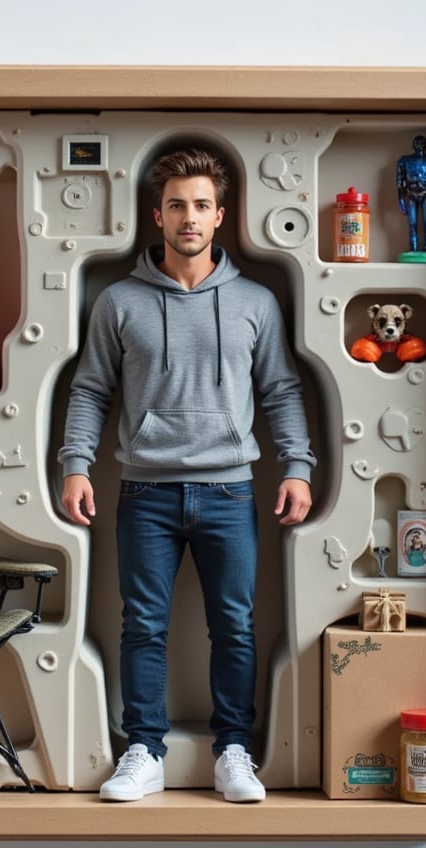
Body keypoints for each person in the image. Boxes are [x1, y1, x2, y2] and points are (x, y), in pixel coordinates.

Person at [58, 148, 316, 803]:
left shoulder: (255, 302)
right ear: (158, 215)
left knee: (234, 625)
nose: (189, 216)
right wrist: (76, 464)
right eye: (177, 205)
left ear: (220, 216)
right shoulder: (119, 302)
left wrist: (297, 467)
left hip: (231, 490)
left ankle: (235, 752)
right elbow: (89, 390)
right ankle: (143, 751)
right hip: (143, 492)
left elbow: (283, 390)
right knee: (141, 625)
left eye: (201, 205)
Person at [396, 134, 426, 254]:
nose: (419, 145)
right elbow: (399, 182)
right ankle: (414, 247)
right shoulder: (404, 161)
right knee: (412, 223)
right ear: (413, 144)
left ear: (425, 145)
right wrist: (401, 199)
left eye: (421, 142)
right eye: (417, 142)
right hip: (411, 193)